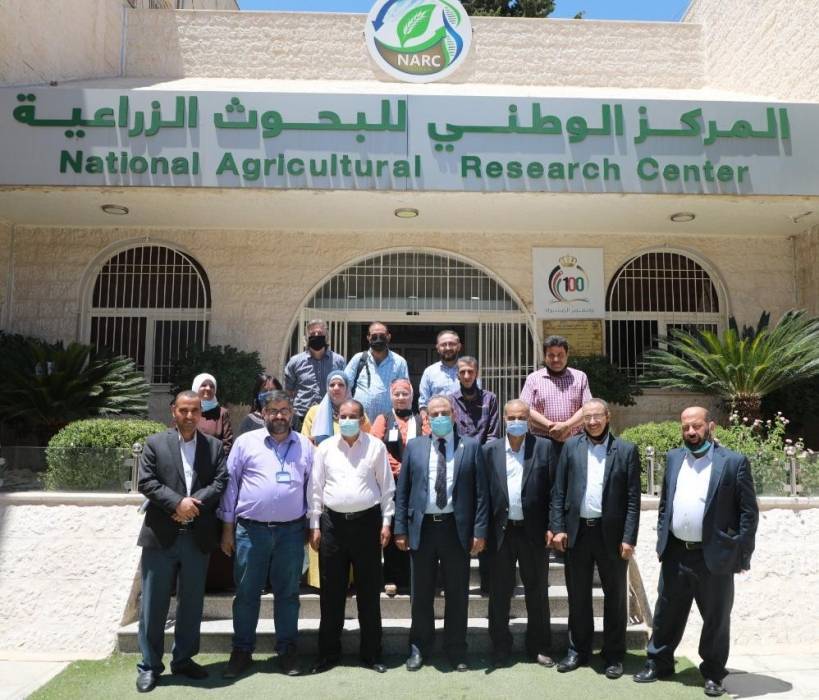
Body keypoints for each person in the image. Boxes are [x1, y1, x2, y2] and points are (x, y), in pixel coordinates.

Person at [634, 407, 759, 698]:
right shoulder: (674, 458)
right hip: (676, 552)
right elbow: (665, 504)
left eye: (697, 426)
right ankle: (659, 662)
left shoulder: (733, 462)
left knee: (716, 617)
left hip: (714, 555)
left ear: (710, 426)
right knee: (666, 612)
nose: (691, 432)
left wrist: (742, 555)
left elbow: (748, 514)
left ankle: (713, 673)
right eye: (685, 427)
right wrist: (662, 540)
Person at [135, 390, 228, 693]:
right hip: (161, 536)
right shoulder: (155, 443)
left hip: (197, 537)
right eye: (184, 410)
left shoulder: (214, 446)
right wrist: (176, 503)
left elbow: (220, 482)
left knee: (191, 603)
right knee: (153, 603)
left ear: (201, 413)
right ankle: (150, 666)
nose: (189, 416)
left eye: (195, 411)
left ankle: (184, 660)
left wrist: (192, 504)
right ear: (173, 411)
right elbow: (146, 481)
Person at [217, 391, 314, 679]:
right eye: (273, 410)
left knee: (289, 594)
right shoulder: (246, 442)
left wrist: (311, 525)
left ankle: (287, 650)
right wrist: (227, 528)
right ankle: (242, 650)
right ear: (263, 413)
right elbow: (230, 486)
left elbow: (312, 488)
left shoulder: (305, 445)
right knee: (247, 593)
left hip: (291, 532)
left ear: (292, 413)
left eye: (284, 410)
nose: (279, 416)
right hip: (251, 531)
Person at [394, 395, 488, 672]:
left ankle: (456, 649)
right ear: (426, 418)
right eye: (433, 414)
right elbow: (403, 491)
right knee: (421, 593)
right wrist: (400, 528)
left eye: (444, 412)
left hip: (455, 529)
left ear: (454, 415)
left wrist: (479, 531)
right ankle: (419, 647)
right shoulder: (414, 447)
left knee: (457, 594)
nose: (439, 417)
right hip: (422, 529)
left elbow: (481, 494)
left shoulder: (471, 446)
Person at [550, 398, 641, 680]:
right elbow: (559, 491)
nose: (592, 422)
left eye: (597, 416)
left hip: (611, 536)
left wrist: (629, 537)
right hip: (578, 533)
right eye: (587, 417)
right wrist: (558, 527)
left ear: (607, 416)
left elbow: (633, 500)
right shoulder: (570, 447)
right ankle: (578, 650)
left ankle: (613, 655)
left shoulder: (626, 450)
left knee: (615, 598)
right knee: (578, 596)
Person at [308, 399, 395, 675]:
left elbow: (386, 488)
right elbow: (315, 489)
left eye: (352, 416)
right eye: (343, 416)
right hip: (332, 525)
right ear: (337, 418)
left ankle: (371, 653)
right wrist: (314, 524)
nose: (347, 420)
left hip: (367, 525)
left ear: (362, 418)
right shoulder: (325, 448)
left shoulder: (376, 447)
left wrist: (387, 522)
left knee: (368, 593)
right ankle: (328, 654)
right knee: (331, 593)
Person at [483, 399, 558, 668]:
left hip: (533, 532)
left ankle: (539, 646)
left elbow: (555, 491)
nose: (517, 422)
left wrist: (553, 526)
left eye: (522, 417)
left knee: (537, 591)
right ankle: (500, 647)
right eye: (512, 417)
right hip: (500, 533)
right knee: (499, 592)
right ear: (504, 419)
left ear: (529, 420)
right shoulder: (489, 450)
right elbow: (482, 495)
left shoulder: (544, 447)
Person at [370, 378, 430, 595]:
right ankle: (392, 576)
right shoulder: (383, 419)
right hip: (392, 481)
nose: (401, 397)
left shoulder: (421, 419)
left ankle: (415, 576)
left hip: (416, 481)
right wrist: (398, 467)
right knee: (395, 526)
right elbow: (376, 446)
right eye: (397, 394)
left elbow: (428, 444)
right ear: (391, 396)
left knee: (416, 527)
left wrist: (411, 467)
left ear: (412, 396)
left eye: (405, 393)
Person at [519, 336, 591, 457]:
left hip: (575, 442)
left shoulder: (580, 377)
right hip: (542, 443)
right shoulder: (533, 379)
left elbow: (587, 408)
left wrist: (567, 426)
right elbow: (525, 409)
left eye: (560, 355)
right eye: (551, 355)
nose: (556, 359)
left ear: (567, 355)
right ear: (545, 357)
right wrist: (551, 427)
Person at [284, 319, 346, 432]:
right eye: (312, 334)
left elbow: (345, 389)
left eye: (320, 333)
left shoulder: (338, 361)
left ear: (326, 336)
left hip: (331, 417)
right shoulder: (295, 362)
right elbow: (288, 392)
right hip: (301, 418)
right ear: (307, 337)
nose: (316, 336)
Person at [345, 321, 409, 424]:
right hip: (361, 423)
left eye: (382, 336)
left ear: (388, 337)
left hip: (389, 424)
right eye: (374, 337)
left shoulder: (399, 362)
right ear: (368, 338)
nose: (378, 340)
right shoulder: (359, 359)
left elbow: (405, 393)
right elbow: (345, 387)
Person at [418, 330, 462, 416]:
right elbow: (423, 405)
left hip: (464, 423)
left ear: (459, 346)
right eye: (443, 344)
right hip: (437, 422)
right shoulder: (429, 372)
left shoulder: (468, 371)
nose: (448, 348)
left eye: (451, 344)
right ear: (438, 348)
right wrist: (425, 423)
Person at [189, 372, 234, 455]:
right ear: (196, 387)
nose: (208, 388)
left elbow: (227, 443)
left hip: (214, 460)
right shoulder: (188, 410)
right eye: (203, 385)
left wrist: (216, 459)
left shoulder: (222, 413)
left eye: (212, 386)